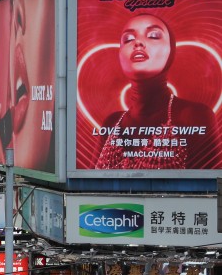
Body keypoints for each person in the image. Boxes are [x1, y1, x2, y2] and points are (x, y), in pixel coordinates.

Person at [94, 13, 220, 170]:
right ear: (119, 54)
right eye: (128, 39)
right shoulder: (112, 123)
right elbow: (89, 181)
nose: (138, 42)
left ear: (171, 50)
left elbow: (209, 181)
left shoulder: (194, 116)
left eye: (153, 36)